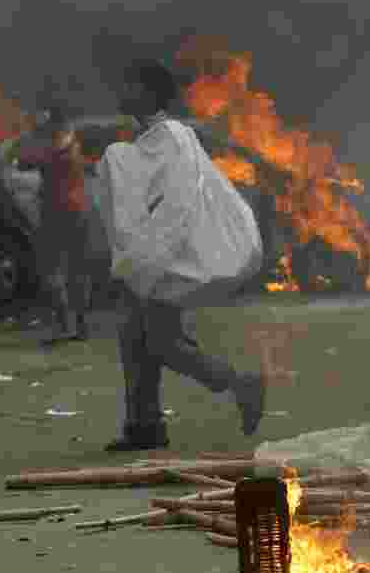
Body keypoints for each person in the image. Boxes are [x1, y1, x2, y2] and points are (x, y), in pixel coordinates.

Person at [101, 59, 265, 451]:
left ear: (148, 92)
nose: (122, 92)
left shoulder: (172, 136)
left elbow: (179, 204)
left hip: (163, 259)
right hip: (147, 256)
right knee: (135, 339)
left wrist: (151, 257)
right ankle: (144, 425)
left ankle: (239, 383)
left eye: (130, 84)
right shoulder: (147, 140)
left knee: (162, 343)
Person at [19, 107, 93, 345]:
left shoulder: (57, 150)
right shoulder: (72, 146)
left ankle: (66, 325)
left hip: (58, 213)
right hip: (77, 211)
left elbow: (26, 161)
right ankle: (79, 326)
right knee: (76, 270)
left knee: (53, 270)